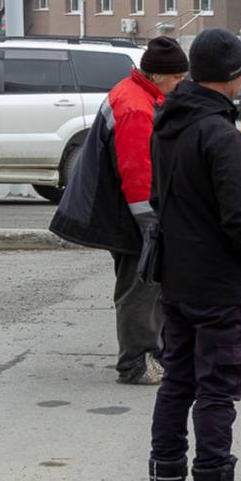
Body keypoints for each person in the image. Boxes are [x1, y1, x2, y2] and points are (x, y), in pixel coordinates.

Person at [144, 28, 241, 481]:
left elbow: (159, 199)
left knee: (177, 379)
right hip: (219, 283)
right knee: (216, 387)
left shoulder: (167, 123)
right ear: (236, 77)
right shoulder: (223, 136)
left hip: (176, 275)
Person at [50, 36, 190, 384]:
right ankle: (136, 364)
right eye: (177, 79)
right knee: (141, 287)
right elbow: (137, 172)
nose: (181, 85)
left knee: (146, 284)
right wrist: (152, 226)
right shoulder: (136, 107)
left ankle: (154, 355)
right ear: (158, 76)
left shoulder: (135, 92)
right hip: (129, 213)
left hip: (122, 208)